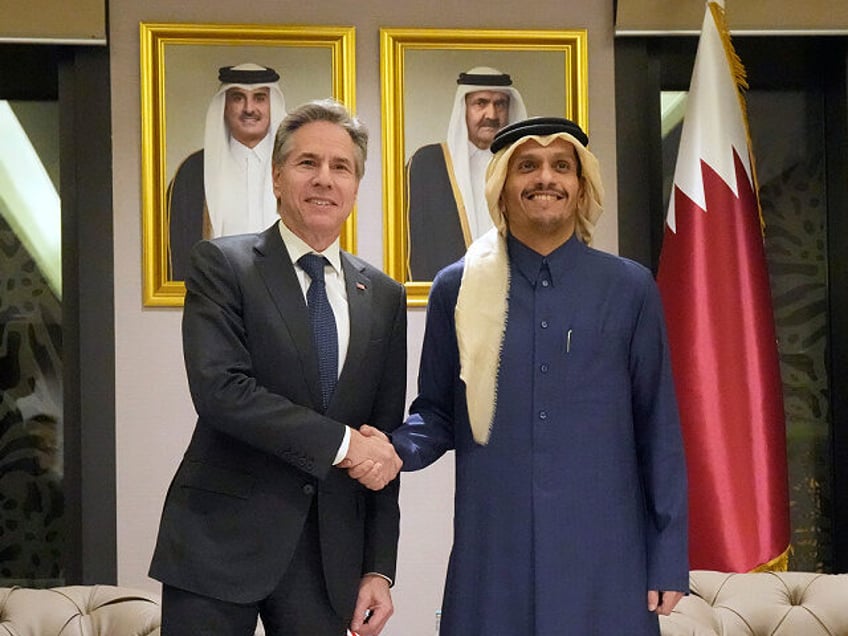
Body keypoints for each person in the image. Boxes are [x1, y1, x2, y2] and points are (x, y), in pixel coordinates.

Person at [368, 117, 690, 634]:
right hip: (493, 557)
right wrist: (393, 450)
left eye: (561, 166)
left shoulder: (630, 289)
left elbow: (659, 430)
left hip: (605, 559)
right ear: (502, 186)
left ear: (581, 186)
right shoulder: (457, 288)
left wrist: (669, 554)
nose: (545, 178)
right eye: (527, 166)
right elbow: (438, 413)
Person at [150, 99, 406, 636]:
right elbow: (222, 391)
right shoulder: (223, 264)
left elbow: (378, 442)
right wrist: (342, 444)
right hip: (219, 546)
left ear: (356, 186)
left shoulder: (383, 295)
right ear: (277, 177)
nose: (324, 179)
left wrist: (379, 567)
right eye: (307, 163)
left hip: (328, 560)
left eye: (341, 167)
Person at [166, 62, 287, 280]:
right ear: (224, 105)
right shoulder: (193, 171)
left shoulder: (294, 168)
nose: (249, 108)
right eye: (238, 98)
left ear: (273, 105)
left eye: (259, 98)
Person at [405, 66, 527, 280]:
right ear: (464, 108)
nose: (491, 114)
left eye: (500, 104)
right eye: (480, 103)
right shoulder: (427, 164)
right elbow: (416, 245)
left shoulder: (525, 168)